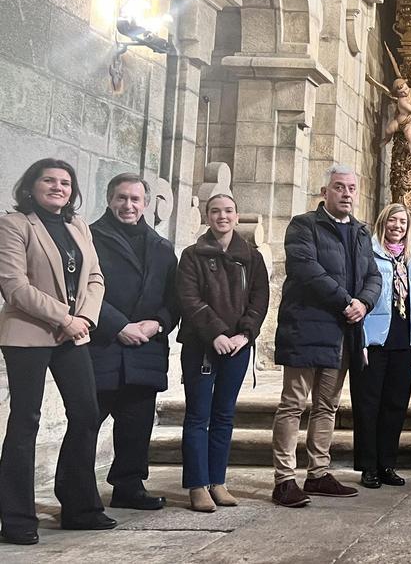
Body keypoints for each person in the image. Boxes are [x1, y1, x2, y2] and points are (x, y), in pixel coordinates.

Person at [0, 159, 114, 545]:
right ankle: (16, 519)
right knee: (25, 422)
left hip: (72, 334)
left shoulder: (77, 226)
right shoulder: (14, 225)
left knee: (86, 412)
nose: (58, 187)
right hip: (27, 334)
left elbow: (95, 276)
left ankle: (80, 509)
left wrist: (85, 318)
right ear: (31, 186)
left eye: (65, 182)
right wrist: (64, 317)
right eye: (48, 180)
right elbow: (15, 286)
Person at [270, 164, 381, 508]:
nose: (346, 194)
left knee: (327, 406)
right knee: (293, 404)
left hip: (342, 333)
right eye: (339, 188)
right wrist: (346, 301)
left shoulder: (362, 233)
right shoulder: (304, 226)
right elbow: (306, 270)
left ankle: (318, 473)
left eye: (351, 188)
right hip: (307, 326)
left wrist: (363, 302)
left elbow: (373, 276)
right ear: (325, 192)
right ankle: (284, 480)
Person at [89, 173, 179, 511]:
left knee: (136, 425)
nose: (128, 205)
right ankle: (77, 492)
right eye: (121, 198)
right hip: (103, 344)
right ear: (110, 199)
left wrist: (158, 324)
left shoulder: (161, 246)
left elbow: (174, 299)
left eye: (135, 199)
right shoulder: (91, 238)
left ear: (145, 204)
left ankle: (128, 486)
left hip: (146, 347)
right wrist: (119, 326)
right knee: (86, 423)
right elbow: (83, 291)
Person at [175, 193, 269, 512]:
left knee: (224, 414)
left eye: (228, 211)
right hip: (202, 345)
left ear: (237, 215)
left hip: (238, 346)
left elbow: (260, 300)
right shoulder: (192, 255)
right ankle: (197, 484)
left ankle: (218, 481)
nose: (222, 216)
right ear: (207, 216)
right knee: (199, 414)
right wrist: (215, 333)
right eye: (215, 211)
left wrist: (244, 334)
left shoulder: (252, 257)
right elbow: (188, 299)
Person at [352, 203, 411, 489]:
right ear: (383, 222)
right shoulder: (367, 254)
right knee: (368, 404)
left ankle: (387, 464)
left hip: (404, 339)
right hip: (373, 340)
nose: (398, 226)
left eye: (403, 222)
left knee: (395, 404)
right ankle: (368, 466)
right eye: (393, 221)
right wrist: (359, 339)